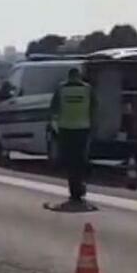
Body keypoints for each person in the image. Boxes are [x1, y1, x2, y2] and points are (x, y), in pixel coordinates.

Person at [50, 67, 93, 204]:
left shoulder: (61, 89)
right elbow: (94, 107)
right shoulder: (87, 89)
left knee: (70, 161)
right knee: (80, 159)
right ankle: (80, 186)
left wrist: (54, 126)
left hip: (66, 129)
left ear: (68, 76)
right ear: (79, 76)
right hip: (83, 128)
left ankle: (74, 190)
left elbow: (53, 109)